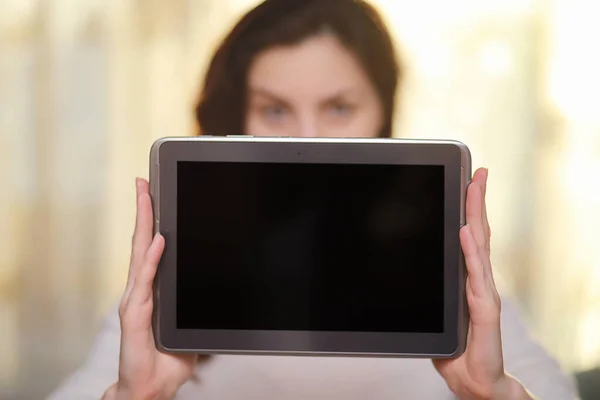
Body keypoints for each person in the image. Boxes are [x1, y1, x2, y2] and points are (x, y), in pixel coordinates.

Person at [49, 1, 578, 399]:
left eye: (339, 108)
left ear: (383, 114)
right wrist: (135, 395)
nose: (307, 137)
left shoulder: (447, 275)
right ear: (236, 118)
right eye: (275, 111)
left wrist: (495, 393)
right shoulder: (179, 275)